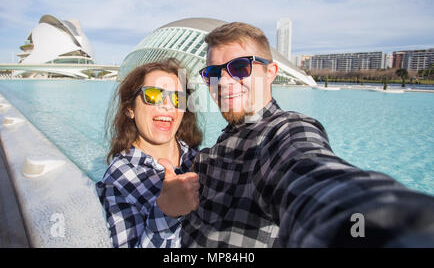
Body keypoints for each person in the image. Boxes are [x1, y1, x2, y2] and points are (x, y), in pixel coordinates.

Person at [158, 22, 434, 247]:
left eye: (240, 67)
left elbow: (312, 175)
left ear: (271, 73)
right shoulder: (227, 140)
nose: (225, 81)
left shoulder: (284, 131)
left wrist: (393, 226)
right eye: (213, 72)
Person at [96, 58, 202, 248]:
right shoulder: (120, 179)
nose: (168, 105)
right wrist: (167, 213)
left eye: (178, 98)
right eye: (153, 95)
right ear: (130, 109)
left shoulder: (198, 158)